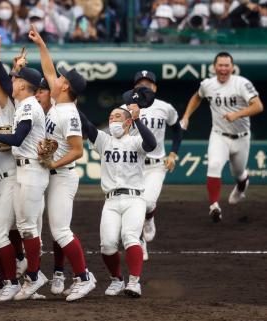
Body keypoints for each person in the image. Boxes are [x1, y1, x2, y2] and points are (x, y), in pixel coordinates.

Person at [29, 24, 96, 301]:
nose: (55, 79)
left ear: (66, 85)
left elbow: (79, 151)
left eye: (60, 78)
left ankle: (84, 277)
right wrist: (41, 44)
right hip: (53, 174)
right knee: (53, 228)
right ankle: (75, 275)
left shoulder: (69, 113)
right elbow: (48, 68)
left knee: (60, 229)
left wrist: (52, 164)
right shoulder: (59, 105)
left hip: (63, 175)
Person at [0, 64, 49, 300]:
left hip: (27, 172)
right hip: (15, 175)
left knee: (23, 228)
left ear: (21, 84)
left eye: (15, 78)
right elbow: (2, 84)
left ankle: (29, 275)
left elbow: (18, 138)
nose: (12, 82)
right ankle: (20, 274)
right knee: (11, 231)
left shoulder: (23, 106)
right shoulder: (21, 106)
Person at [80, 103, 157, 298]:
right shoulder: (104, 140)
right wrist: (69, 105)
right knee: (107, 245)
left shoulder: (136, 141)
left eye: (117, 117)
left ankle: (134, 283)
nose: (112, 120)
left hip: (134, 198)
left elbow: (152, 143)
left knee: (130, 237)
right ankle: (117, 280)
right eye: (110, 117)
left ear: (128, 122)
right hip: (111, 201)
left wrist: (138, 120)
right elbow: (87, 125)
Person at [181, 52, 264, 222]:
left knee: (239, 173)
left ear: (232, 67)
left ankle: (241, 188)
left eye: (227, 65)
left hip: (241, 137)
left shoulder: (241, 83)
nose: (223, 68)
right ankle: (214, 207)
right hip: (219, 135)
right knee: (214, 164)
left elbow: (258, 106)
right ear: (214, 67)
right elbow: (197, 97)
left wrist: (238, 114)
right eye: (220, 65)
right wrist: (186, 116)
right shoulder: (208, 84)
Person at [125, 71, 183, 260]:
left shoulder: (165, 107)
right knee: (135, 203)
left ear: (155, 88)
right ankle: (140, 240)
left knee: (148, 203)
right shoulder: (125, 107)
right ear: (134, 88)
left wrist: (173, 153)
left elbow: (177, 129)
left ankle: (149, 218)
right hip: (133, 164)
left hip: (156, 164)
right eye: (140, 84)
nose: (144, 87)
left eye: (148, 84)